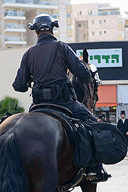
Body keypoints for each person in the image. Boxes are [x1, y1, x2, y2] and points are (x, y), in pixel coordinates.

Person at [12, 13, 108, 182]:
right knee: (92, 123)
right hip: (65, 102)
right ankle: (95, 168)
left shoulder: (28, 54)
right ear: (52, 28)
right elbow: (84, 75)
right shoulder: (62, 47)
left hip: (38, 105)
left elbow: (18, 86)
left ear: (35, 31)